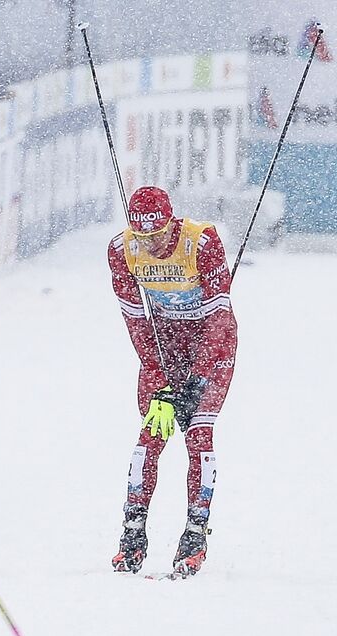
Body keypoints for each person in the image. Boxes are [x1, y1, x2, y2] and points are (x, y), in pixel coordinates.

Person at [107, 185, 237, 579]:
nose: (152, 245)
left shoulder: (202, 241)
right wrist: (160, 376)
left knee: (199, 433)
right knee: (152, 434)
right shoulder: (121, 251)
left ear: (171, 222)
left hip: (211, 347)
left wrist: (197, 378)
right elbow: (136, 321)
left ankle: (195, 535)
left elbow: (219, 318)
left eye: (159, 235)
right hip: (164, 348)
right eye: (143, 237)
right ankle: (132, 534)